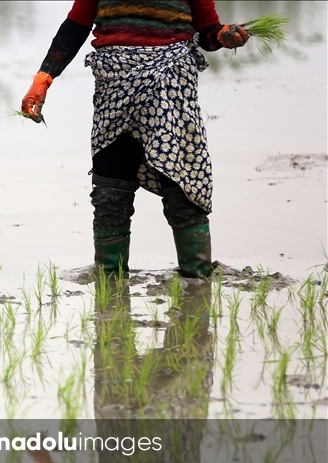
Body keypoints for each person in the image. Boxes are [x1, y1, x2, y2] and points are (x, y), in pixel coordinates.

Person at [21, 1, 249, 279]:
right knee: (110, 189)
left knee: (182, 188)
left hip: (171, 85)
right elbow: (76, 26)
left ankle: (198, 281)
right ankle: (109, 284)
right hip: (114, 85)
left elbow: (206, 31)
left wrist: (223, 35)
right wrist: (44, 77)